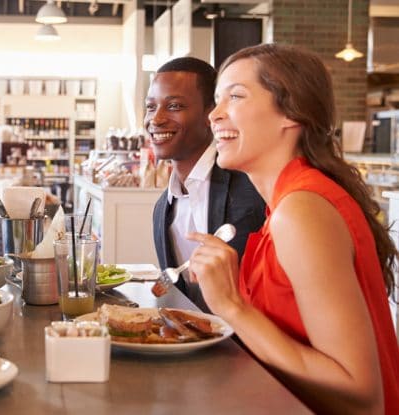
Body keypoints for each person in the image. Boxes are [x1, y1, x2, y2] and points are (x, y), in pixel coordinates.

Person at [187, 43, 399, 413]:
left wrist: (233, 306)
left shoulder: (300, 210)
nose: (214, 115)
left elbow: (362, 397)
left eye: (235, 97)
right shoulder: (288, 202)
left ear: (291, 113)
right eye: (217, 100)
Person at [146, 57, 265, 310]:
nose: (156, 119)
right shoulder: (161, 210)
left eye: (174, 106)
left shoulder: (251, 191)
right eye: (150, 107)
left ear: (210, 113)